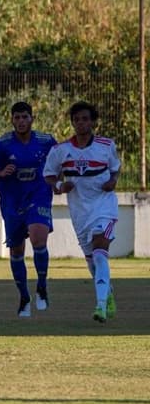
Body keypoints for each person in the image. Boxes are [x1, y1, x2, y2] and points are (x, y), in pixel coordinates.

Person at [43, 101, 119, 323]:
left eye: (85, 119)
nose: (81, 123)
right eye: (77, 119)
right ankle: (108, 294)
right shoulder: (61, 151)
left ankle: (101, 306)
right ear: (72, 123)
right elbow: (49, 175)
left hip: (104, 207)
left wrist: (113, 181)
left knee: (99, 250)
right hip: (80, 213)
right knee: (92, 262)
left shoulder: (106, 146)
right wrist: (58, 187)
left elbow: (115, 168)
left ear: (93, 121)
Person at [0, 102, 57, 317]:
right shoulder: (3, 144)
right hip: (13, 202)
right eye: (17, 118)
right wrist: (1, 172)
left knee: (38, 239)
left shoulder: (46, 141)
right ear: (12, 120)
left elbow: (61, 161)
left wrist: (58, 181)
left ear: (32, 119)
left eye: (25, 117)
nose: (21, 121)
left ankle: (42, 286)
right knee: (16, 251)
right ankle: (24, 297)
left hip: (38, 196)